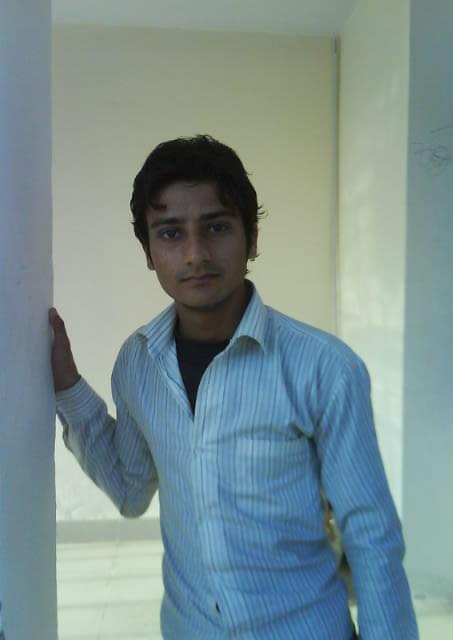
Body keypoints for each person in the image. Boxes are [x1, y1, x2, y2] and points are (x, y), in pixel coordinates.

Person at [49, 135, 418, 639]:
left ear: (252, 238)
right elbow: (131, 492)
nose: (196, 254)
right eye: (171, 233)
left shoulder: (324, 368)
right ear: (149, 252)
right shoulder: (138, 365)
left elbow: (372, 535)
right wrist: (67, 385)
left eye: (217, 227)